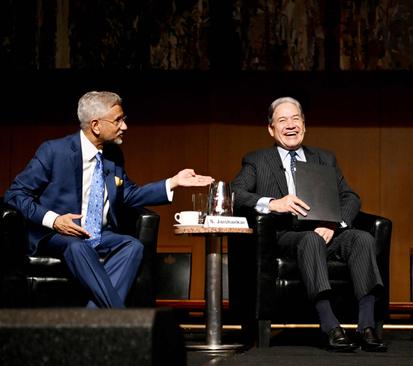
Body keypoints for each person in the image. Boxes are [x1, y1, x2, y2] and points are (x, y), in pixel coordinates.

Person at [4, 91, 213, 309]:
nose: (124, 127)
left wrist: (173, 182)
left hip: (99, 234)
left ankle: (94, 321)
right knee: (77, 248)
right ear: (95, 125)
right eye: (118, 120)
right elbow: (15, 194)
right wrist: (54, 220)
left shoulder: (113, 155)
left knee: (133, 246)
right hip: (58, 235)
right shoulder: (54, 151)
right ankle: (120, 320)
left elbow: (129, 194)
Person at [231, 96, 387, 352]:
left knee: (362, 238)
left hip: (327, 232)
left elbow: (350, 196)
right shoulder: (257, 160)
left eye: (296, 119)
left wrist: (334, 224)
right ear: (271, 128)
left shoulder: (324, 158)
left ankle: (366, 326)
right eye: (282, 120)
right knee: (310, 239)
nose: (290, 125)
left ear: (304, 124)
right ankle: (330, 326)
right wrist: (273, 203)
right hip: (285, 236)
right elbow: (235, 193)